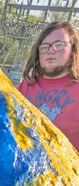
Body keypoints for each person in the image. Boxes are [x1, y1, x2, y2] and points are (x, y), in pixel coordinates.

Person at [18, 21, 79, 151]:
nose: (50, 51)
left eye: (59, 45)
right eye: (44, 47)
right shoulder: (25, 86)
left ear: (73, 49)